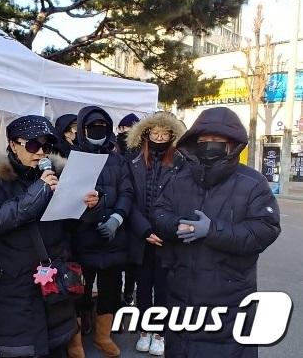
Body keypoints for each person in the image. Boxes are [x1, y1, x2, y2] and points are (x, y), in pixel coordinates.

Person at [153, 106, 281, 358]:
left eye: (217, 141)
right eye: (203, 141)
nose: (209, 145)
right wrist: (176, 223)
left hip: (230, 296)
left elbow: (265, 229)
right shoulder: (178, 178)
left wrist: (213, 230)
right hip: (181, 290)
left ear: (232, 144)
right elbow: (159, 212)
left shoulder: (252, 183)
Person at [0, 115, 101, 358]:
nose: (40, 153)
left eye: (46, 146)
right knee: (22, 349)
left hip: (54, 283)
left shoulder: (59, 175)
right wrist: (39, 191)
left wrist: (91, 206)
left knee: (56, 346)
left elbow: (73, 226)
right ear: (13, 144)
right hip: (14, 286)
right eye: (33, 145)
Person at [69, 106, 134, 358]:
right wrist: (90, 213)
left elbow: (127, 192)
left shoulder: (118, 160)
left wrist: (117, 218)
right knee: (78, 292)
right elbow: (68, 197)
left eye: (102, 126)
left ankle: (102, 337)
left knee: (110, 289)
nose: (98, 131)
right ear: (83, 129)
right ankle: (74, 341)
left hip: (113, 240)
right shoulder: (71, 158)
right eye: (93, 126)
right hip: (82, 238)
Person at [124, 111, 186, 356]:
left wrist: (165, 228)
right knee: (142, 286)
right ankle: (144, 331)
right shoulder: (133, 158)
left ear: (172, 135)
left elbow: (182, 200)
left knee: (163, 288)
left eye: (164, 133)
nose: (159, 138)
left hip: (167, 237)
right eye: (154, 133)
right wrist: (144, 230)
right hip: (140, 236)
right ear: (146, 133)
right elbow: (128, 197)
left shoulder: (181, 161)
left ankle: (160, 333)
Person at [115, 112, 140, 309]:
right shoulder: (113, 149)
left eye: (130, 130)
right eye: (123, 129)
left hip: (135, 210)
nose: (125, 133)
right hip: (116, 208)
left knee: (132, 261)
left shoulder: (141, 151)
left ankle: (129, 292)